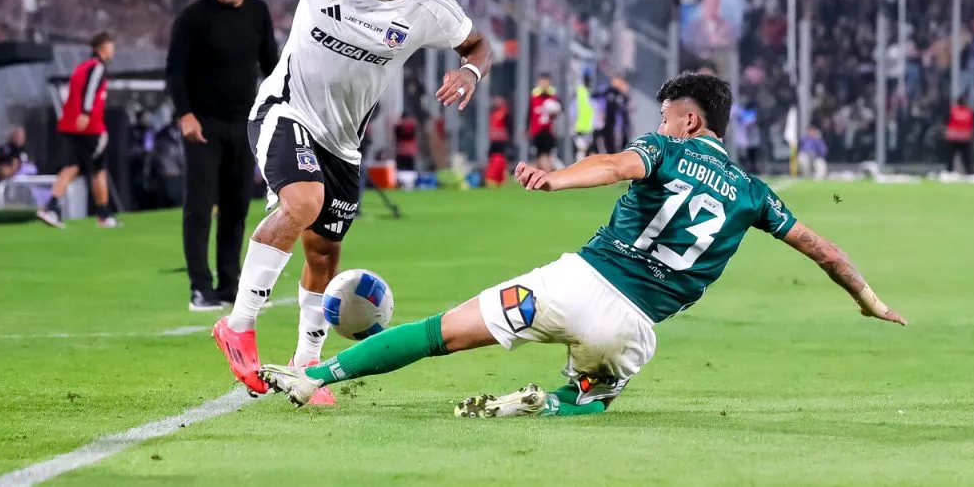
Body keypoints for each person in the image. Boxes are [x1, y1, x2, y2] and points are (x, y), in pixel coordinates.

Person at [256, 73, 906, 417]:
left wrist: (558, 177)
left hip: (571, 286)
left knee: (438, 332)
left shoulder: (664, 147)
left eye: (666, 114)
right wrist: (869, 299)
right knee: (599, 385)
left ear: (690, 121)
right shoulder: (756, 193)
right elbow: (824, 249)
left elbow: (618, 165)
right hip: (633, 329)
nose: (659, 123)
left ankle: (314, 373)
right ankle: (565, 397)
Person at [142, 0, 492, 403]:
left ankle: (307, 363)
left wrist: (469, 71)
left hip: (344, 144)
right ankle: (238, 325)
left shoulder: (428, 6)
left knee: (324, 252)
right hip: (286, 111)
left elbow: (478, 44)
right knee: (302, 203)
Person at [165, 0, 278, 312]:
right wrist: (185, 115)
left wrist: (275, 111)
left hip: (244, 126)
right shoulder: (193, 17)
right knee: (199, 208)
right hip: (203, 126)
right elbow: (175, 71)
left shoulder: (258, 12)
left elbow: (271, 67)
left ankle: (230, 284)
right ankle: (200, 288)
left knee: (236, 208)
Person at [37, 32, 118, 229]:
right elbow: (90, 90)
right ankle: (103, 215)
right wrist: (86, 112)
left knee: (72, 166)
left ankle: (52, 206)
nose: (113, 50)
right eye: (110, 45)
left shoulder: (80, 67)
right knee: (98, 169)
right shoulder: (97, 67)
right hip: (90, 127)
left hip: (71, 125)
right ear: (101, 47)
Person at [528, 72, 560, 171]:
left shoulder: (553, 98)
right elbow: (529, 113)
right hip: (536, 131)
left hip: (548, 131)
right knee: (538, 156)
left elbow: (558, 114)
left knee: (545, 155)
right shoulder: (534, 97)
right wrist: (526, 129)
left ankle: (547, 175)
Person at [944, 96, 973, 174]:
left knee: (950, 157)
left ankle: (948, 172)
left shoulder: (953, 111)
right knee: (966, 158)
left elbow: (947, 122)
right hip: (964, 138)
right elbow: (971, 125)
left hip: (953, 138)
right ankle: (969, 173)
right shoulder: (968, 112)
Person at [572, 72, 595, 162]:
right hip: (580, 128)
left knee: (587, 152)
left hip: (589, 128)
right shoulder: (580, 92)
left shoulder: (589, 92)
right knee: (581, 151)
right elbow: (573, 110)